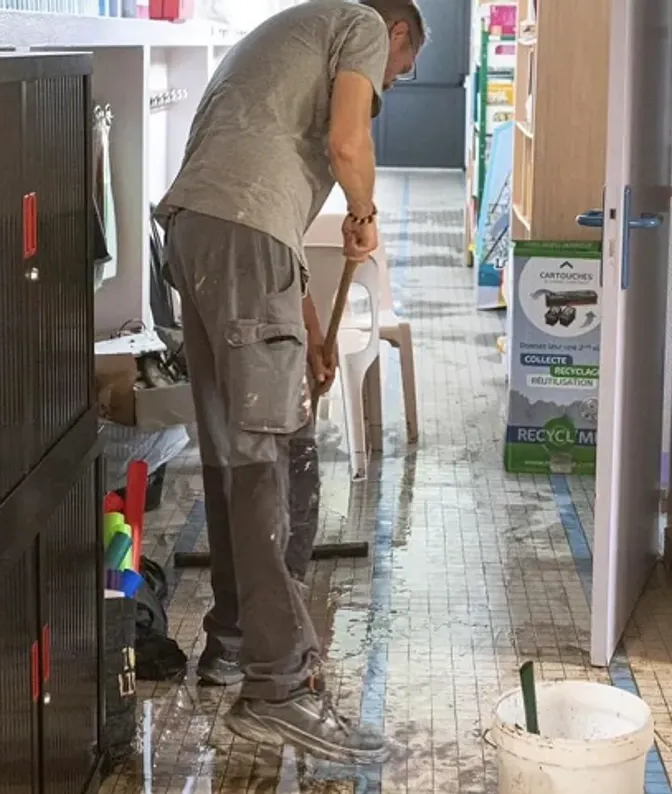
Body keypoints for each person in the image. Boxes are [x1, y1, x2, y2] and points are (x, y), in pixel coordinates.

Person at [154, 0, 426, 766]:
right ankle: (278, 689)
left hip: (197, 231)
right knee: (275, 455)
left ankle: (234, 644)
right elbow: (347, 143)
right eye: (392, 80)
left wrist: (308, 330)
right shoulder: (363, 25)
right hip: (241, 235)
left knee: (232, 449)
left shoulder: (282, 38)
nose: (382, 86)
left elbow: (259, 217)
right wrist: (364, 211)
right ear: (399, 36)